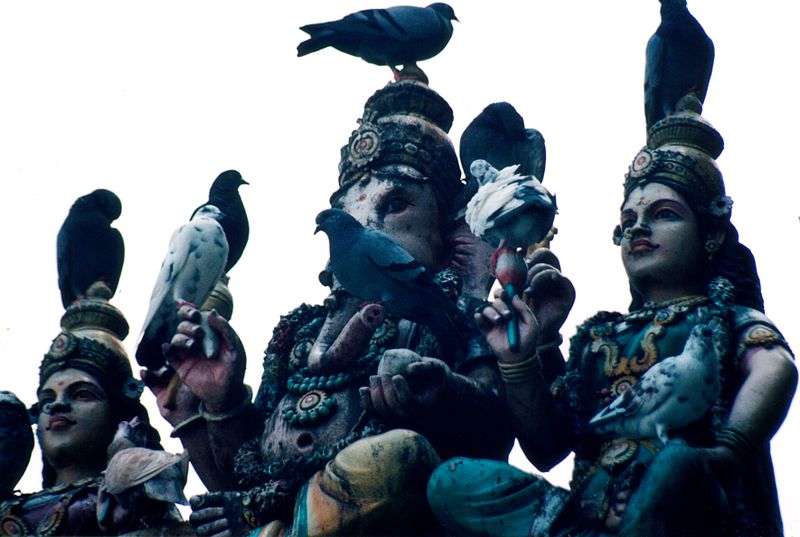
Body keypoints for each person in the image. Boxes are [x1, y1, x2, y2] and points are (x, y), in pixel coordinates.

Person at [157, 79, 514, 537]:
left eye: (397, 205)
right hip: (284, 520)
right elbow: (244, 476)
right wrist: (216, 400)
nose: (366, 226)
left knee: (396, 458)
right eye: (350, 209)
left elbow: (497, 434)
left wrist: (443, 392)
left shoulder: (457, 319)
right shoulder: (298, 336)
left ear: (453, 230)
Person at [426, 101, 797, 536]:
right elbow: (546, 447)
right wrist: (522, 356)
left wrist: (730, 451)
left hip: (689, 504)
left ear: (711, 235)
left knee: (675, 464)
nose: (639, 229)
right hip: (590, 514)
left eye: (664, 215)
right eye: (629, 219)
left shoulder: (722, 318)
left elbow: (775, 366)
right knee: (451, 481)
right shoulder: (599, 337)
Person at [0, 283, 189, 536]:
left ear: (119, 415)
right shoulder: (11, 506)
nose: (58, 404)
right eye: (47, 400)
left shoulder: (138, 497)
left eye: (82, 394)